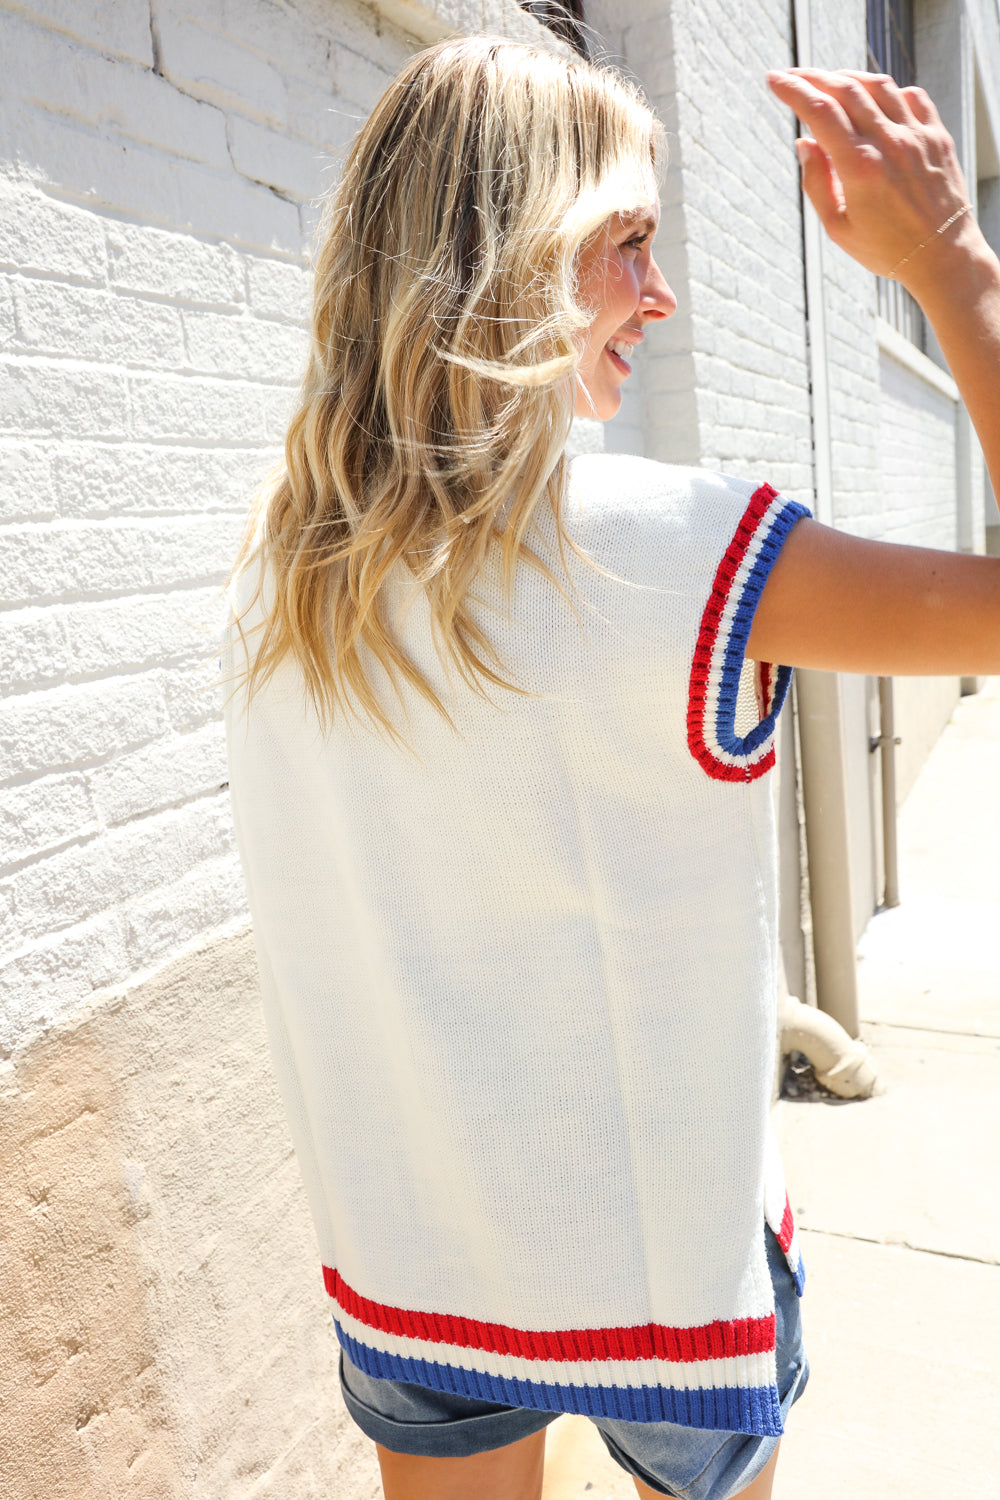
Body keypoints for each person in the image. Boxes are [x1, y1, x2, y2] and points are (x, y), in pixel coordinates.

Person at [223, 39, 1000, 1500]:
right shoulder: (688, 547)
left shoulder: (284, 576)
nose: (662, 293)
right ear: (515, 255)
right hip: (666, 1285)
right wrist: (951, 267)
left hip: (413, 1259)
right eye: (627, 243)